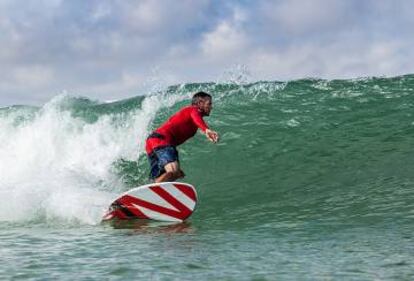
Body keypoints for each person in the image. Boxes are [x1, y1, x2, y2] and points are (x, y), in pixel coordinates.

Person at [145, 91, 219, 183]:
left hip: (153, 142)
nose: (211, 107)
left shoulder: (192, 120)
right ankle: (155, 190)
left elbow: (195, 120)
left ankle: (146, 190)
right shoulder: (193, 109)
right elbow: (195, 116)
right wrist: (206, 129)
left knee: (170, 176)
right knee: (173, 171)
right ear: (200, 103)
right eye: (209, 104)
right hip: (162, 140)